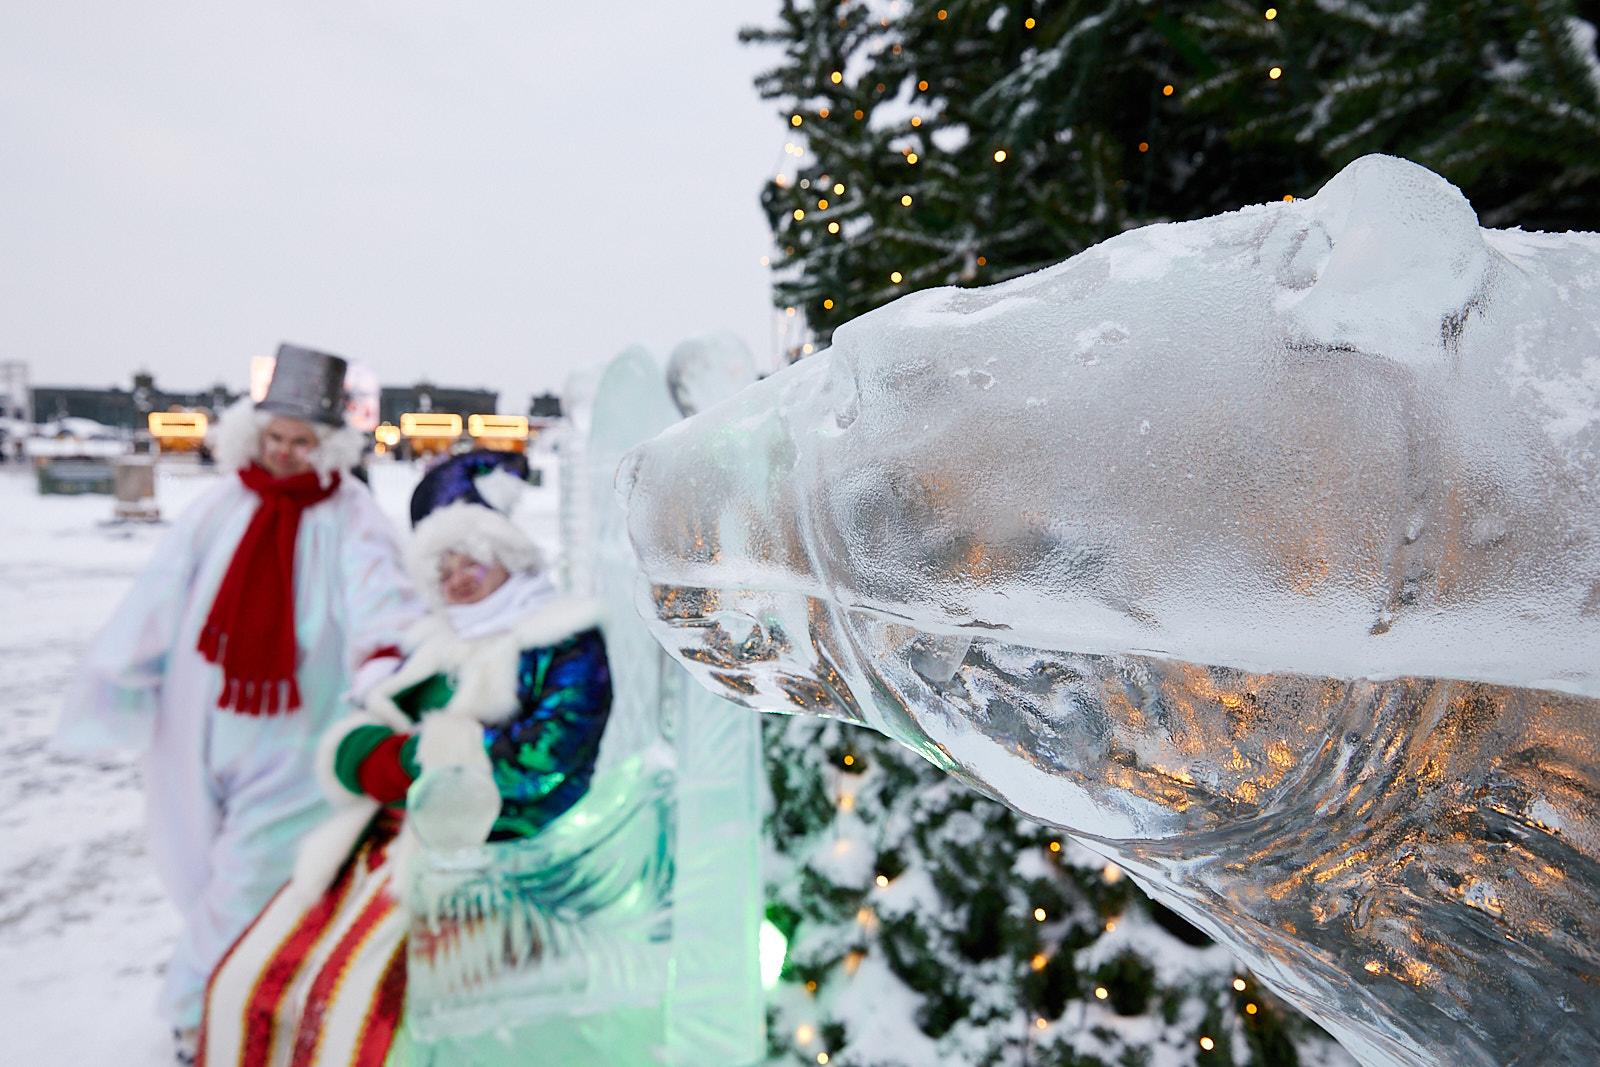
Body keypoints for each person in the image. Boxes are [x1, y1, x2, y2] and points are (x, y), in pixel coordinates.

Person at [56, 345, 422, 1063]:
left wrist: (384, 669)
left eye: (300, 441)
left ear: (328, 444)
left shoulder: (352, 515)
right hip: (198, 727)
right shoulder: (223, 503)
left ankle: (197, 1013)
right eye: (274, 436)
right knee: (198, 864)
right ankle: (253, 995)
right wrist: (123, 675)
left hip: (296, 733)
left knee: (247, 875)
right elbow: (161, 592)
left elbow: (383, 600)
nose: (283, 451)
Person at [200, 451, 612, 1067]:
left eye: (471, 560)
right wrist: (362, 755)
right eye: (442, 569)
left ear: (509, 556)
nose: (457, 579)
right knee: (248, 983)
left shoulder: (562, 638)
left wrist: (421, 758)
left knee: (356, 1007)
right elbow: (374, 724)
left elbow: (546, 758)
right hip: (385, 845)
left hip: (485, 858)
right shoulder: (437, 641)